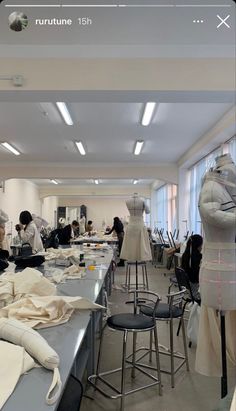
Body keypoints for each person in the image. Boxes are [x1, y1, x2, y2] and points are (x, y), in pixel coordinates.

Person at [196, 153, 236, 377]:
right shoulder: (212, 187)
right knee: (221, 317)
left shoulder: (223, 184)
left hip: (227, 262)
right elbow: (213, 215)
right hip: (219, 266)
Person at [120, 193, 152, 262]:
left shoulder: (128, 201)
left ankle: (131, 257)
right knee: (141, 244)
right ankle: (140, 257)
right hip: (140, 225)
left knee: (131, 245)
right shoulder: (142, 201)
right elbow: (148, 211)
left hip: (131, 225)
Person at [181, 234, 203, 301]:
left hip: (190, 289)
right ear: (198, 245)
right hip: (195, 293)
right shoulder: (197, 257)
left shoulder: (185, 255)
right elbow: (197, 276)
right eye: (202, 244)